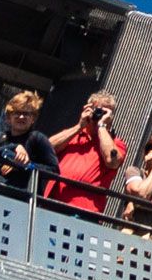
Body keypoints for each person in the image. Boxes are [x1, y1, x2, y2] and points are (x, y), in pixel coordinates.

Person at [44, 88, 125, 216]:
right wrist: (79, 126)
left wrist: (102, 126)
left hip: (83, 210)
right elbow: (46, 148)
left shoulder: (116, 143)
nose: (99, 114)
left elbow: (112, 161)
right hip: (52, 203)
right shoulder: (73, 135)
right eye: (96, 110)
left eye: (104, 112)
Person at [0, 89, 57, 197]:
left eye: (26, 114)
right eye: (17, 112)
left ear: (33, 118)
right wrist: (13, 148)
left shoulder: (38, 139)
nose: (21, 117)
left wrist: (27, 165)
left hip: (20, 200)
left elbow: (54, 171)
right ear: (8, 117)